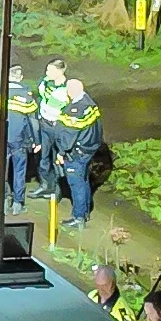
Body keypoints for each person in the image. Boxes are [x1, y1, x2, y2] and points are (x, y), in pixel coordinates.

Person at [0, 67, 37, 214]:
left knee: (1, 169)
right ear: (20, 78)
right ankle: (18, 203)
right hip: (19, 139)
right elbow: (33, 121)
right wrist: (35, 140)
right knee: (19, 170)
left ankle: (3, 200)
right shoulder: (26, 96)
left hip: (0, 138)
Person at [51, 77, 104, 225]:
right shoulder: (90, 103)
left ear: (71, 91)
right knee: (84, 180)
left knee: (76, 184)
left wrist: (61, 152)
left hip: (75, 152)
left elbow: (68, 136)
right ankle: (85, 212)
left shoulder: (75, 111)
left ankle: (79, 217)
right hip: (88, 149)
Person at [32, 59, 70, 198]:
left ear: (60, 72)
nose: (47, 73)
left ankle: (59, 190)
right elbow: (41, 91)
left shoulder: (66, 90)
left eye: (50, 70)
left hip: (58, 127)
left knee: (58, 159)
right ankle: (45, 186)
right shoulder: (47, 82)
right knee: (43, 157)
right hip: (45, 124)